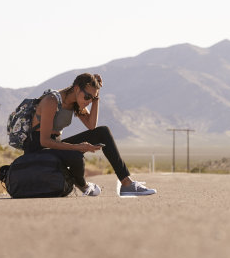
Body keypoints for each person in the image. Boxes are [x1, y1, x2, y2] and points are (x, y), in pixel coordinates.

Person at [24, 73, 156, 197]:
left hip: (54, 146)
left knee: (102, 132)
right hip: (38, 149)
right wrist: (78, 147)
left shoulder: (75, 102)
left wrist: (96, 99)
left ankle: (127, 184)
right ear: (76, 89)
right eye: (87, 97)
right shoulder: (51, 101)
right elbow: (45, 141)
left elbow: (91, 125)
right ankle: (84, 186)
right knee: (74, 154)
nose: (88, 101)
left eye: (92, 98)